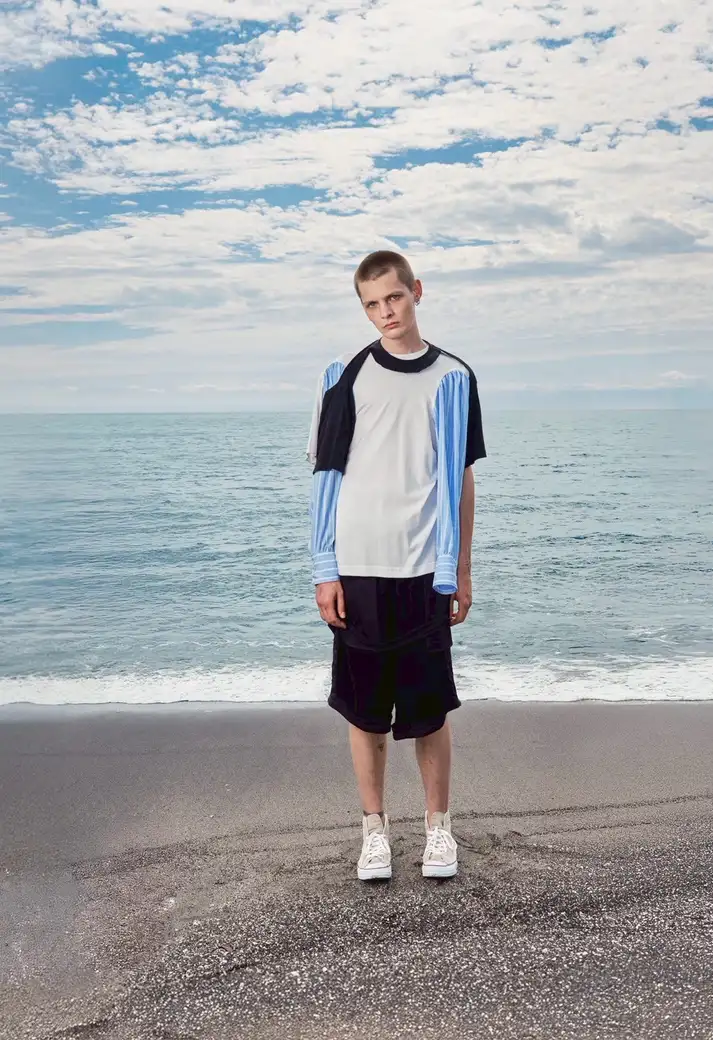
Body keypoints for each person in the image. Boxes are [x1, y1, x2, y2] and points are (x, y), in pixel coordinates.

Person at [306, 250, 486, 881]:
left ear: (416, 291)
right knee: (365, 713)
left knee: (429, 712)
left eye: (395, 297)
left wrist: (463, 569)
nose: (386, 312)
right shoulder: (343, 377)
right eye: (372, 304)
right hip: (358, 568)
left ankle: (438, 829)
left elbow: (461, 481)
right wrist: (324, 569)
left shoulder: (455, 377)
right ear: (364, 309)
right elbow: (325, 475)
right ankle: (374, 831)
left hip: (426, 569)